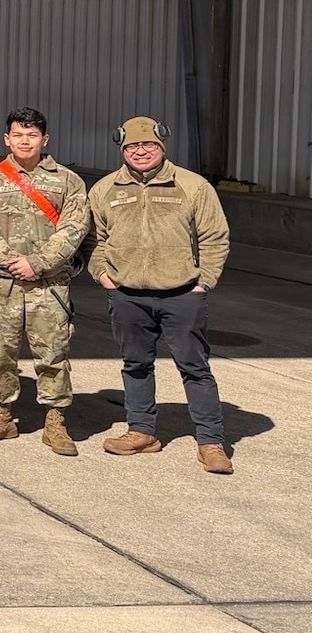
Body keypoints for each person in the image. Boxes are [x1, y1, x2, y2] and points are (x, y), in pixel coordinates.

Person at [89, 116, 234, 473]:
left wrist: (204, 282)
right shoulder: (105, 189)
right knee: (135, 366)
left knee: (195, 368)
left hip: (182, 294)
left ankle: (211, 441)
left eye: (148, 145)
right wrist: (104, 277)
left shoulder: (192, 185)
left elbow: (215, 237)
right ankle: (141, 431)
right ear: (122, 149)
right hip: (128, 296)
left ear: (162, 147)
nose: (140, 151)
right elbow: (94, 239)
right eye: (132, 146)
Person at [0, 107, 90, 456]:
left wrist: (37, 264)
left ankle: (55, 422)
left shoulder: (68, 181)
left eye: (32, 135)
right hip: (3, 284)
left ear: (45, 139)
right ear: (7, 139)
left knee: (53, 354)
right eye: (18, 135)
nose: (25, 141)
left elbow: (74, 228)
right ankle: (1, 416)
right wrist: (12, 262)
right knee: (0, 353)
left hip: (49, 285)